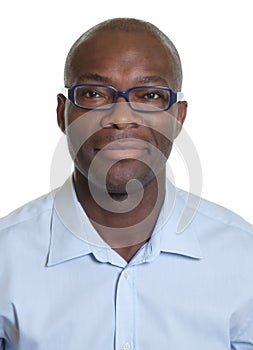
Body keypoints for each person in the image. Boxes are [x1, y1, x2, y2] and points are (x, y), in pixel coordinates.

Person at [0, 17, 252, 350]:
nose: (121, 118)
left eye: (149, 94)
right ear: (62, 114)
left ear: (178, 118)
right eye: (93, 93)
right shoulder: (7, 257)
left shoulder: (242, 256)